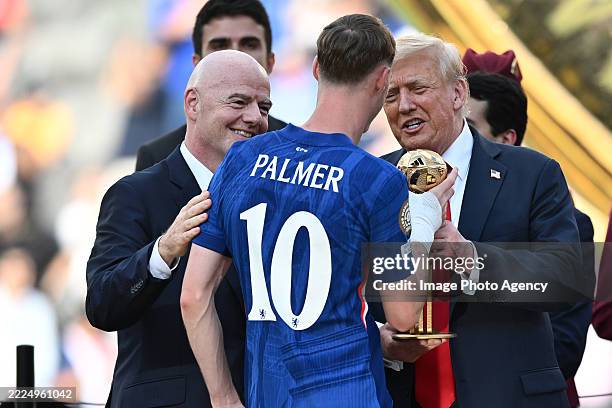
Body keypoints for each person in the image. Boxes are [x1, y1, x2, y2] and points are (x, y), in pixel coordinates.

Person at [180, 14, 456, 407]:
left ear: (316, 69)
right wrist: (425, 219)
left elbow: (193, 296)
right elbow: (404, 317)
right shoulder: (376, 180)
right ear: (382, 80)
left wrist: (223, 398)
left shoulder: (243, 159)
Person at [375, 33, 581, 407]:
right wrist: (379, 341)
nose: (404, 105)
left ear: (458, 94)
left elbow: (564, 279)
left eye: (418, 89)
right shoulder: (373, 180)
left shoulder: (533, 173)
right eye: (391, 95)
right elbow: (348, 294)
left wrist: (473, 259)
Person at [86, 50, 271, 407]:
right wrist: (163, 251)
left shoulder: (274, 197)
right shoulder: (135, 193)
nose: (254, 118)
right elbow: (102, 305)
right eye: (239, 102)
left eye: (263, 107)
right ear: (193, 104)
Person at [466, 65, 595, 407]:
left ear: (506, 139)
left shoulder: (568, 222)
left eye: (469, 129)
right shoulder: (430, 208)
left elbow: (564, 347)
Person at [135, 0, 286, 171]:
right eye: (219, 46)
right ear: (197, 63)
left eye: (249, 45)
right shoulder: (158, 157)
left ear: (270, 62)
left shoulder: (298, 154)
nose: (234, 55)